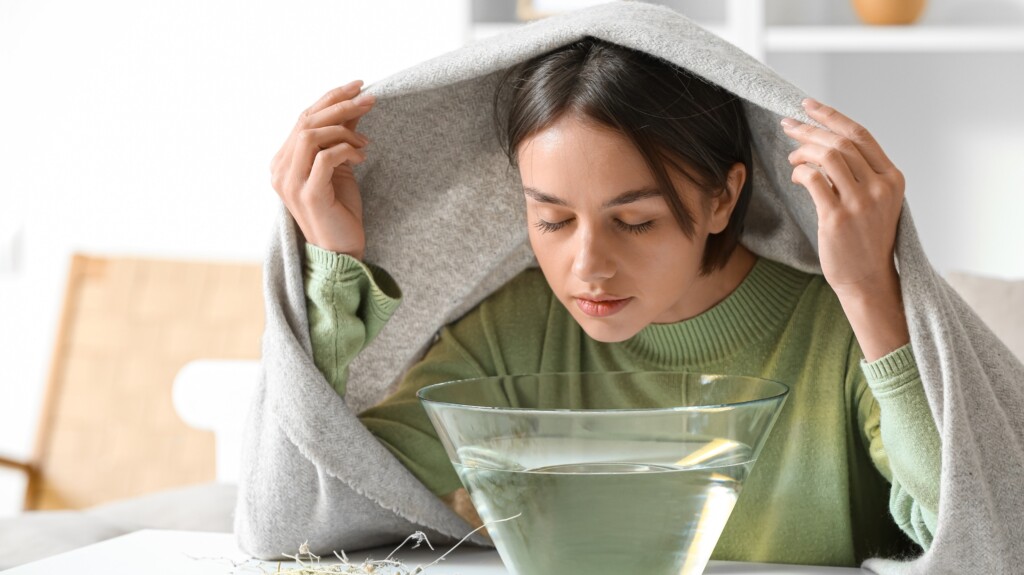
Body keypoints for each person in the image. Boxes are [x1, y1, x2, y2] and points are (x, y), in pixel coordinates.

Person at [269, 37, 939, 567]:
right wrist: (333, 270)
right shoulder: (518, 330)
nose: (585, 267)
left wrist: (869, 290)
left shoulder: (839, 330)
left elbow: (973, 529)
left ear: (722, 198)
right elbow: (301, 513)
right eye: (553, 221)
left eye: (635, 220)